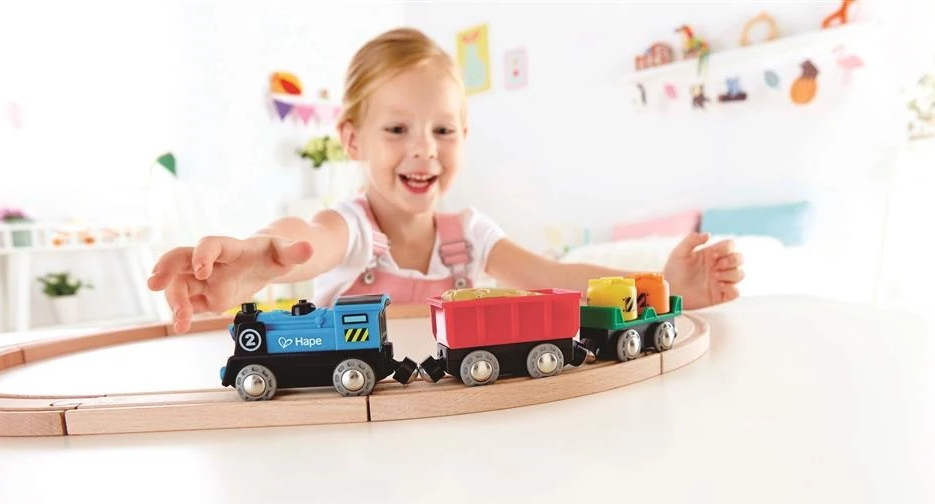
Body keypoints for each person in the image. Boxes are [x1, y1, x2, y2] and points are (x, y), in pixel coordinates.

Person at [148, 27, 744, 334]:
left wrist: (662, 288)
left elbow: (558, 278)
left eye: (443, 130)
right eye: (397, 129)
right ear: (352, 139)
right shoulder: (352, 228)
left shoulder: (471, 237)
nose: (424, 150)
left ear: (464, 135)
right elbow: (305, 239)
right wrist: (260, 257)